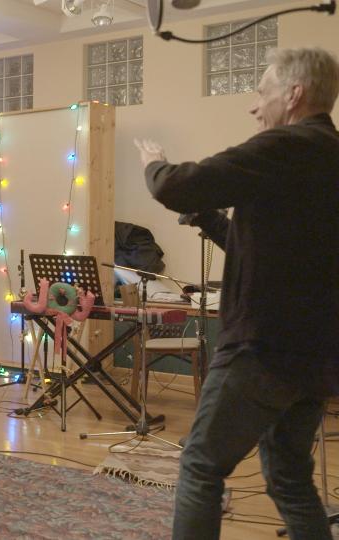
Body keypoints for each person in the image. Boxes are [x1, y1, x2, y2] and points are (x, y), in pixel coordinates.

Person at [136, 47, 339, 540]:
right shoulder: (329, 156)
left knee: (201, 466)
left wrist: (154, 165)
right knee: (290, 479)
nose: (255, 106)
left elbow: (178, 186)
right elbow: (273, 253)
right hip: (316, 357)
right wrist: (210, 220)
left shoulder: (283, 146)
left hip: (262, 349)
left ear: (294, 94)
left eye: (262, 92)